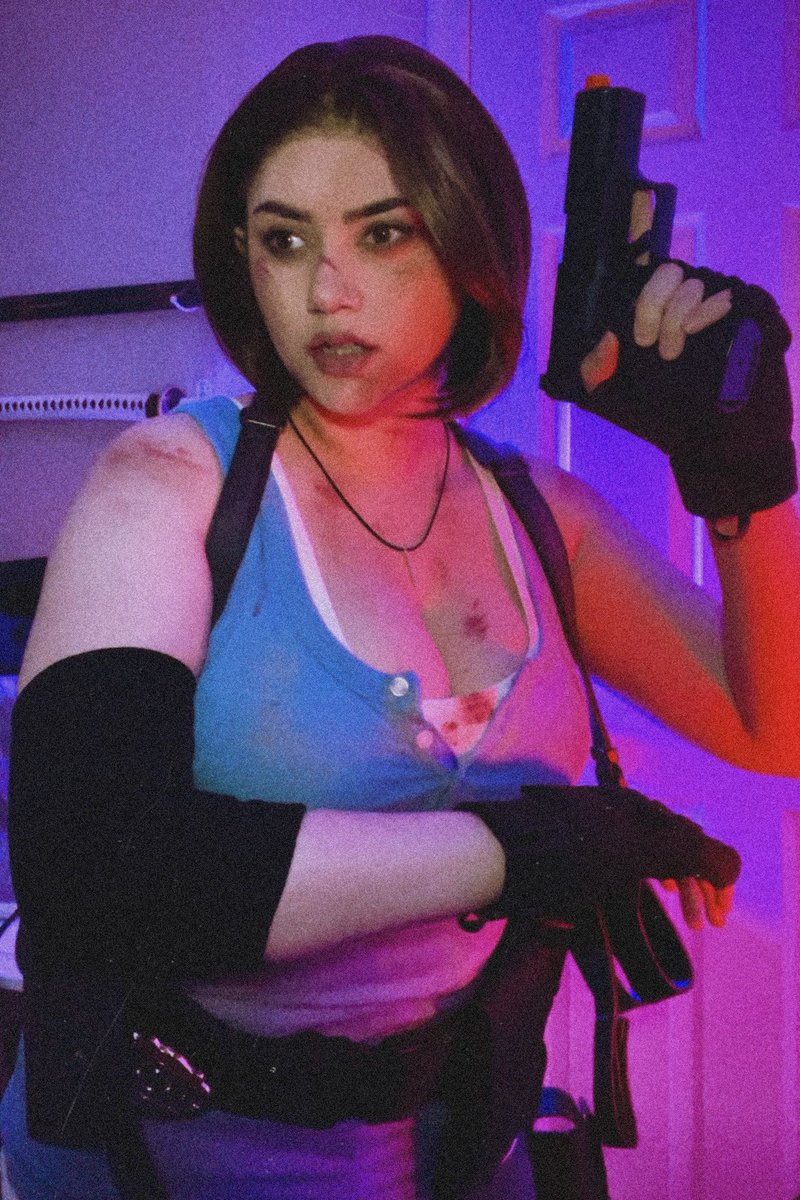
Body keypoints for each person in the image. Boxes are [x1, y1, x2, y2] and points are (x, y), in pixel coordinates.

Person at [0, 33, 798, 1200]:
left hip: (462, 1149)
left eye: (383, 234)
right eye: (284, 241)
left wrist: (743, 480)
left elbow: (772, 728)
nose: (325, 293)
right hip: (172, 1161)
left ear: (470, 248)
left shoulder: (541, 517)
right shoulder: (168, 484)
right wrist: (522, 851)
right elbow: (95, 875)